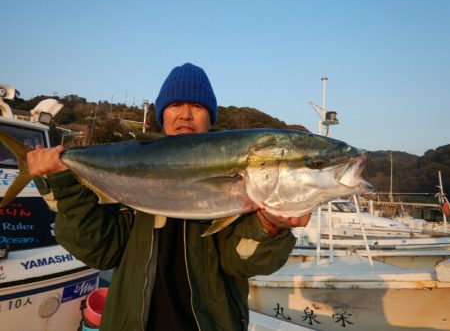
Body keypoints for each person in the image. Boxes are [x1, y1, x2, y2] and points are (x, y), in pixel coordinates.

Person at [27, 63, 311, 331]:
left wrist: (270, 226)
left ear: (210, 118)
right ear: (162, 114)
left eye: (197, 106)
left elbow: (240, 263)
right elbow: (101, 251)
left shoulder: (248, 195)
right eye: (176, 105)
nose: (185, 114)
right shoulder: (129, 173)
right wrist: (61, 182)